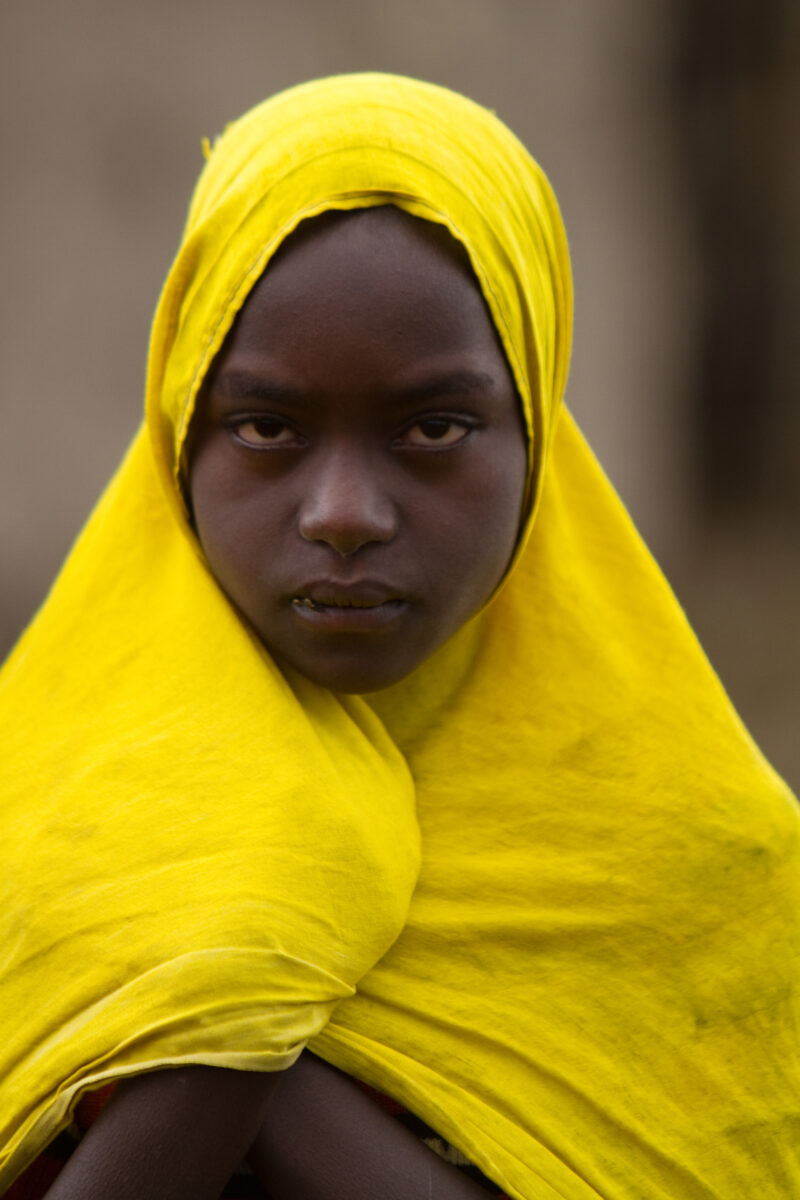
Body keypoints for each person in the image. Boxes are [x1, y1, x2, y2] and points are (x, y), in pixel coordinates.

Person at [1, 73, 798, 1200]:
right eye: (267, 426)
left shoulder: (703, 870)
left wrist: (237, 1024)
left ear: (537, 439)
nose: (342, 512)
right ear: (181, 433)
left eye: (432, 428)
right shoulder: (39, 809)